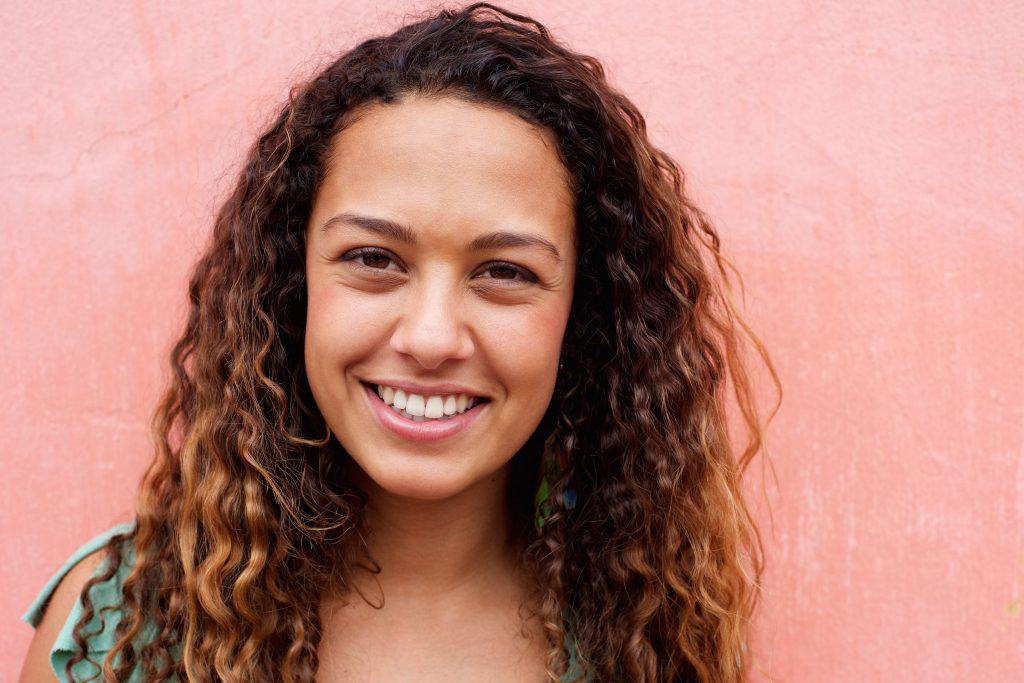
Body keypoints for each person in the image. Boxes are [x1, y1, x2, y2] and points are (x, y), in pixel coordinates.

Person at [19, 2, 780, 681]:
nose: (430, 336)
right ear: (293, 286)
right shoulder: (120, 624)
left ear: (584, 314)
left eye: (504, 270)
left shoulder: (651, 642)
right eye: (374, 259)